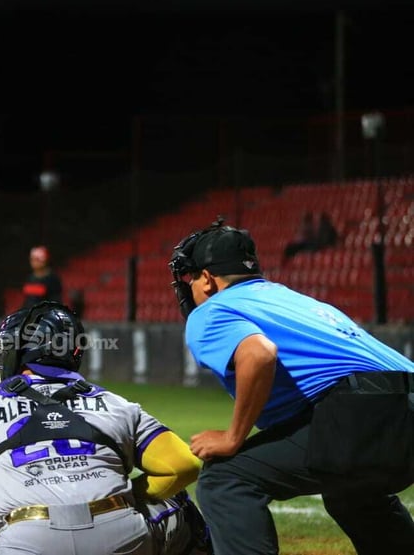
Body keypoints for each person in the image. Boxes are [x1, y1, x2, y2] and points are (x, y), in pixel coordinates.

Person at [0, 301, 213, 555]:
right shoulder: (117, 405)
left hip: (27, 543)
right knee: (178, 503)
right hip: (121, 541)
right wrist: (125, 499)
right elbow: (183, 466)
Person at [168, 217, 414, 555]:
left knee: (224, 479)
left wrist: (232, 438)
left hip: (366, 411)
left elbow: (259, 354)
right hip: (397, 405)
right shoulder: (286, 298)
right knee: (351, 491)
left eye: (190, 276)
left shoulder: (211, 310)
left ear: (207, 278)